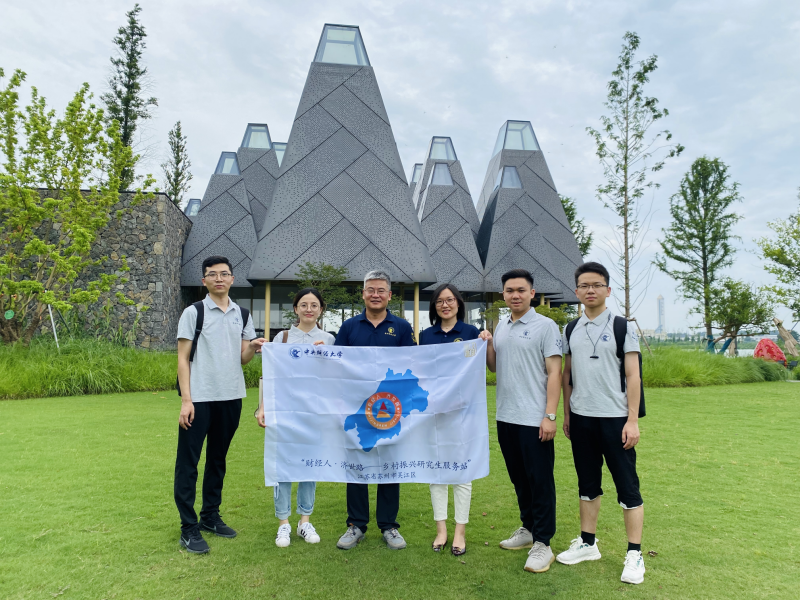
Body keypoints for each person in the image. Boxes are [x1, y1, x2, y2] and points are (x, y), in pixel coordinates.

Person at [556, 262, 646, 585]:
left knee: (627, 487)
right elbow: (567, 375)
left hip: (616, 420)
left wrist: (632, 420)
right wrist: (567, 415)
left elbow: (633, 375)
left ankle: (634, 554)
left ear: (608, 290)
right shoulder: (570, 329)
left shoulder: (622, 327)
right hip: (582, 419)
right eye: (584, 285)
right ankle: (588, 543)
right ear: (577, 291)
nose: (590, 290)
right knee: (587, 484)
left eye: (596, 285)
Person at [174, 256, 266, 554]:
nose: (219, 279)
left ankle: (210, 517)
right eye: (212, 274)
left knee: (217, 460)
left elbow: (243, 358)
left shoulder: (242, 313)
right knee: (188, 463)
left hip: (231, 397)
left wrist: (253, 346)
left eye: (224, 274)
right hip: (199, 399)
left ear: (232, 279)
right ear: (204, 281)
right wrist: (186, 400)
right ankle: (188, 527)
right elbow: (182, 358)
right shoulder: (194, 312)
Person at [479, 269, 562, 573]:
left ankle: (543, 543)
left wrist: (550, 415)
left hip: (535, 418)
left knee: (540, 481)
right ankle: (528, 529)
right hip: (506, 416)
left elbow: (555, 372)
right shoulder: (502, 325)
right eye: (510, 291)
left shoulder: (546, 327)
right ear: (503, 294)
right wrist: (488, 343)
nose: (515, 295)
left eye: (521, 290)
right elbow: (494, 367)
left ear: (532, 293)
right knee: (519, 479)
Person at [334, 270, 415, 551]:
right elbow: (336, 364)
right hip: (357, 409)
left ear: (389, 295)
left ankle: (389, 525)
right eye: (371, 290)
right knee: (357, 465)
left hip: (390, 409)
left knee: (389, 466)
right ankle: (356, 525)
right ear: (363, 294)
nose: (375, 295)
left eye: (381, 290)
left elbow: (413, 364)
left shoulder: (402, 327)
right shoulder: (349, 327)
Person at [255, 288, 334, 548]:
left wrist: (327, 357)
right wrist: (263, 407)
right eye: (304, 304)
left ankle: (304, 521)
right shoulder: (283, 337)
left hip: (314, 413)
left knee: (309, 465)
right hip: (284, 411)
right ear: (295, 309)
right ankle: (283, 523)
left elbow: (337, 377)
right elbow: (271, 375)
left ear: (321, 309)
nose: (309, 309)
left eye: (314, 305)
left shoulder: (329, 339)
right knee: (283, 464)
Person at [419, 283, 480, 556]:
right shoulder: (425, 335)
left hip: (462, 412)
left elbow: (477, 368)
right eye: (440, 301)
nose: (445, 305)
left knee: (461, 472)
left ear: (458, 303)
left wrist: (486, 341)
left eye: (450, 300)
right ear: (434, 306)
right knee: (437, 471)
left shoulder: (471, 333)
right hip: (433, 413)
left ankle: (460, 532)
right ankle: (441, 530)